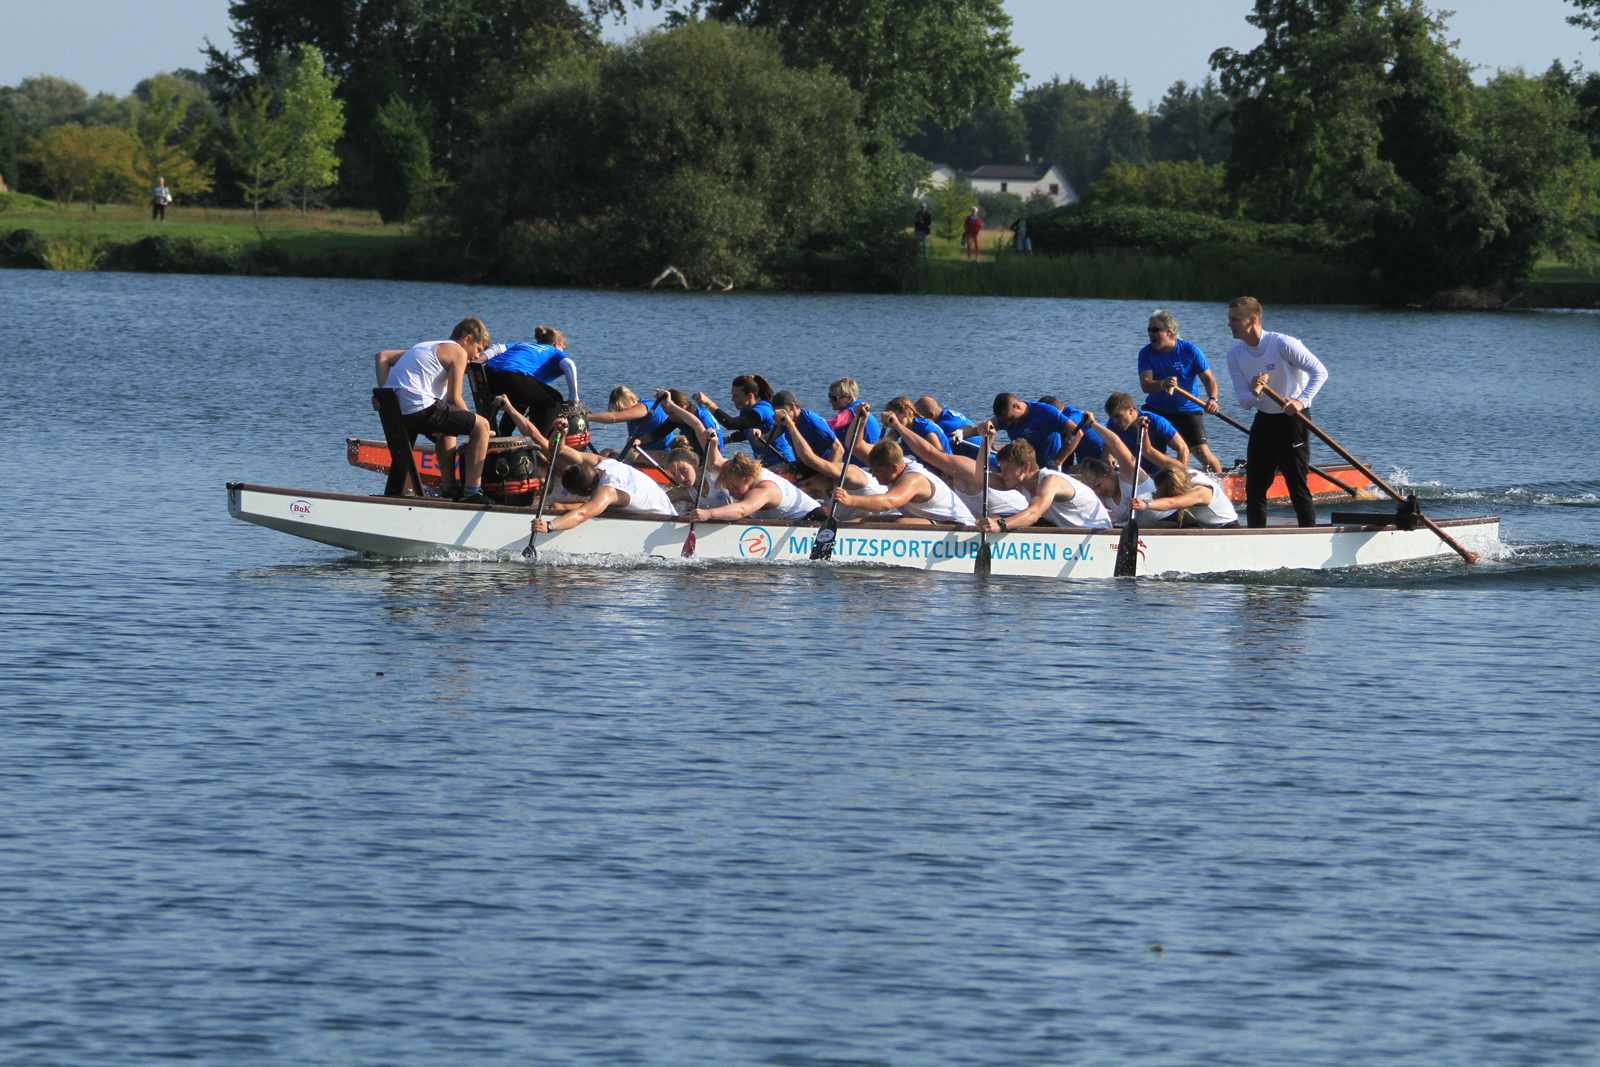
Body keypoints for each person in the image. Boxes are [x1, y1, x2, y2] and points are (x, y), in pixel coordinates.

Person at [1225, 296, 1329, 527]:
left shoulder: (1282, 344)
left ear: (1252, 320)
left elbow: (1320, 372)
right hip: (1264, 423)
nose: (1229, 324)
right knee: (1254, 489)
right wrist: (1256, 392)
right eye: (1229, 319)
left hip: (1294, 421)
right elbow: (1244, 402)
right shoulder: (1235, 355)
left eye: (1234, 319)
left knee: (1296, 486)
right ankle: (1255, 540)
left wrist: (1301, 401)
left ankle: (1309, 538)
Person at [372, 317, 495, 504]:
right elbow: (454, 399)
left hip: (398, 412)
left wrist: (384, 395)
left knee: (447, 432)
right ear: (467, 339)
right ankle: (472, 493)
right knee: (481, 426)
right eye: (478, 349)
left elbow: (382, 356)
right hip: (418, 409)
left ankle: (450, 490)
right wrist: (481, 426)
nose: (477, 356)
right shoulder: (458, 352)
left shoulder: (427, 346)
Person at [531, 418, 676, 533]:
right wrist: (560, 432)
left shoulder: (607, 491)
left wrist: (549, 526)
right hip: (666, 513)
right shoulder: (604, 462)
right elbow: (559, 451)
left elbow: (582, 514)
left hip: (661, 524)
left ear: (588, 491)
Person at [882, 410, 1028, 519]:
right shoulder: (949, 484)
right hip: (990, 519)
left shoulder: (961, 468)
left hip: (1014, 514)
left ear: (945, 473)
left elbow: (927, 453)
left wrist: (897, 426)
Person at [1138, 308, 1224, 473]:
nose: (1150, 334)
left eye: (1155, 330)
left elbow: (1209, 380)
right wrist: (1163, 384)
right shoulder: (1146, 353)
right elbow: (1146, 385)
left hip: (1187, 411)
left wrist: (1213, 399)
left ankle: (1220, 487)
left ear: (1169, 332)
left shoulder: (1189, 350)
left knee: (1203, 455)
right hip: (1156, 411)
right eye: (1149, 330)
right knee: (1148, 455)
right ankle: (1150, 481)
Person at [830, 440, 976, 526]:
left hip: (957, 526)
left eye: (877, 471)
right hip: (927, 520)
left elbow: (888, 502)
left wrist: (849, 500)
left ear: (894, 468)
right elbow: (856, 446)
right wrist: (861, 420)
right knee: (871, 519)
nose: (873, 475)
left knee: (901, 524)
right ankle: (838, 530)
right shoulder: (896, 462)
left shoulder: (913, 479)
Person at [975, 440, 1112, 532]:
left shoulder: (1051, 481)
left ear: (1025, 467)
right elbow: (981, 478)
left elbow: (1033, 514)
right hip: (1069, 530)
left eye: (1007, 469)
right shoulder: (1019, 482)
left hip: (1095, 532)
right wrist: (987, 439)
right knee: (995, 516)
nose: (1002, 474)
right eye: (1002, 469)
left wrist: (1001, 525)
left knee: (1004, 521)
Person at [1072, 410, 1173, 525]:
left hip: (1170, 521)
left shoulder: (1128, 476)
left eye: (1098, 485)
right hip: (1145, 529)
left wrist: (1092, 423)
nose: (1098, 492)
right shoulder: (1105, 496)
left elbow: (1116, 443)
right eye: (1093, 489)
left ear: (1108, 473)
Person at [480, 326, 578, 438]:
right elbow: (569, 365)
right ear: (556, 344)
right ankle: (541, 442)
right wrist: (573, 398)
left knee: (522, 399)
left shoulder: (523, 344)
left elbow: (497, 348)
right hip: (512, 376)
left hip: (487, 375)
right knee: (555, 400)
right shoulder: (554, 351)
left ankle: (503, 436)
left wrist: (477, 362)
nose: (564, 350)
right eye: (563, 347)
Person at [686, 452, 825, 524]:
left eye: (733, 488)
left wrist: (708, 514)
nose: (731, 493)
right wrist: (713, 441)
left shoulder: (765, 490)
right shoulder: (740, 470)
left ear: (746, 479)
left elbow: (741, 510)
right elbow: (716, 461)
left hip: (813, 521)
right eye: (728, 488)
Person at [694, 374, 796, 467]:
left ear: (750, 396)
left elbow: (731, 424)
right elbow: (745, 432)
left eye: (736, 396)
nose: (732, 400)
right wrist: (726, 440)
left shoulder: (763, 410)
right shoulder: (745, 410)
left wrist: (709, 404)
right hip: (764, 465)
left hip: (782, 464)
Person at [989, 392, 1103, 468]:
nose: (1008, 424)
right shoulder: (1074, 412)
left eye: (1010, 419)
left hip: (1099, 461)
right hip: (1089, 457)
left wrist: (1057, 464)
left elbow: (1070, 443)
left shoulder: (1067, 419)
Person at [764, 390, 842, 481]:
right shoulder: (784, 423)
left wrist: (824, 477)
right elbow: (763, 441)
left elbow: (839, 449)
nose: (779, 416)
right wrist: (756, 435)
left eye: (782, 411)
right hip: (802, 466)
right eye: (776, 413)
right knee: (765, 472)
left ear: (792, 406)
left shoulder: (813, 422)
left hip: (819, 469)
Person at [1104, 391, 1188, 475]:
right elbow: (1108, 446)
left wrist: (1180, 475)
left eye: (1118, 416)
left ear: (1131, 410)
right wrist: (1109, 456)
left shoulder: (1157, 422)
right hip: (1133, 473)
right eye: (1112, 417)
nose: (1115, 421)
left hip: (1158, 474)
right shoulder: (1112, 424)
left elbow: (1183, 448)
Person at [1130, 467, 1240, 528]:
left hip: (1225, 529)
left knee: (1144, 529)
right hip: (1200, 524)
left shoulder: (1201, 492)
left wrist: (1146, 504)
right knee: (1143, 527)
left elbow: (1170, 503)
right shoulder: (1184, 474)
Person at [587, 386, 678, 459]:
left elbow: (614, 418)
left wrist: (586, 417)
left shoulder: (647, 406)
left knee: (607, 454)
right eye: (619, 411)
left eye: (624, 410)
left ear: (633, 399)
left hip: (665, 454)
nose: (623, 414)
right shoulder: (632, 421)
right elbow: (632, 447)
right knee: (605, 453)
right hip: (646, 454)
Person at [653, 389, 724, 463]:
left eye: (670, 413)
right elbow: (656, 434)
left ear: (681, 405)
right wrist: (640, 441)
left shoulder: (703, 419)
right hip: (695, 458)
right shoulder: (678, 417)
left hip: (708, 465)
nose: (670, 418)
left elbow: (715, 455)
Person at [825, 378, 882, 465]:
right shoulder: (844, 412)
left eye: (835, 398)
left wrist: (810, 425)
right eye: (830, 396)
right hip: (854, 464)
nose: (830, 401)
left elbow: (832, 424)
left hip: (869, 466)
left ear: (849, 398)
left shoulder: (856, 411)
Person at [882, 396, 954, 454]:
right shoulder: (898, 427)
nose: (889, 420)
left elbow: (940, 456)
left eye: (891, 417)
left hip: (943, 469)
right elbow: (882, 448)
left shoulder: (926, 428)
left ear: (905, 413)